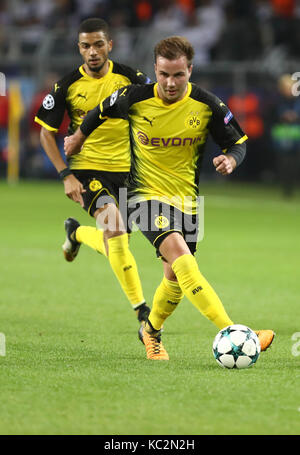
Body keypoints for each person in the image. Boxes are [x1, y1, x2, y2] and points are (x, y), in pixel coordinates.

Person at [64, 36, 275, 360]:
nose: (170, 82)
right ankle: (236, 331)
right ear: (155, 70)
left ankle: (150, 331)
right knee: (180, 254)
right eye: (164, 74)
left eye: (178, 74)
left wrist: (231, 159)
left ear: (190, 70)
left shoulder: (206, 105)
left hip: (188, 201)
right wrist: (78, 136)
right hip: (143, 196)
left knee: (175, 279)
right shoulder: (134, 97)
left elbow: (239, 142)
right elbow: (99, 110)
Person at [35, 18, 152, 325]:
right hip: (88, 170)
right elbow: (46, 133)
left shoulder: (131, 77)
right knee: (114, 228)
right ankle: (143, 312)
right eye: (86, 46)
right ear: (79, 48)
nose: (92, 52)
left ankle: (76, 233)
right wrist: (66, 175)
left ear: (109, 45)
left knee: (117, 242)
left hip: (128, 173)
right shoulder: (67, 85)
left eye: (99, 44)